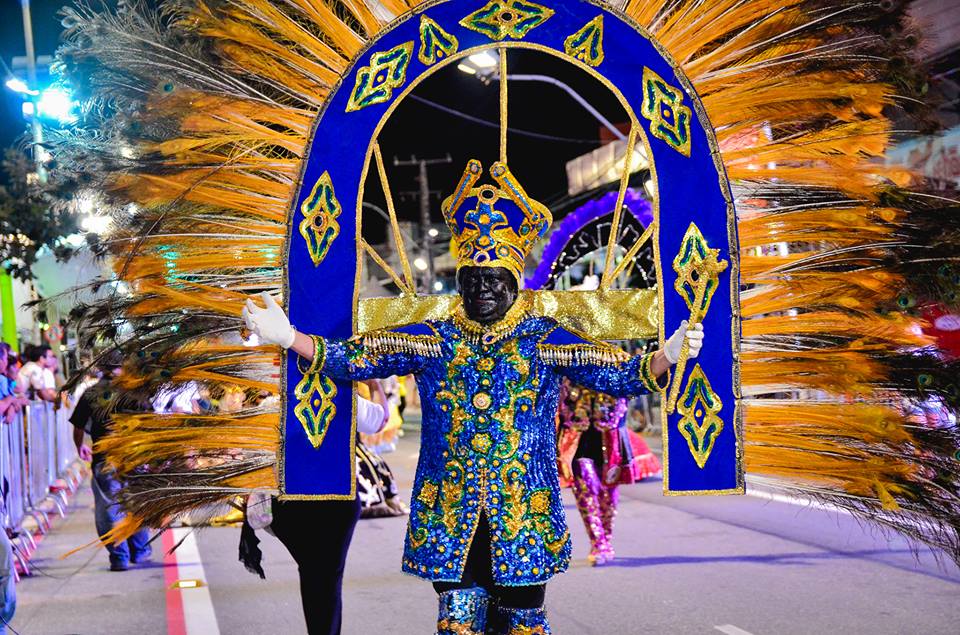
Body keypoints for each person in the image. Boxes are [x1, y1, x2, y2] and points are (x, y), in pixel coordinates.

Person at [243, 160, 705, 633]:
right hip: (450, 512)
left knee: (523, 623)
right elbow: (355, 358)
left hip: (525, 514)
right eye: (472, 280)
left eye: (494, 279)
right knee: (458, 622)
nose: (482, 288)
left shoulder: (543, 337)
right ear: (459, 283)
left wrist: (666, 356)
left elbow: (619, 374)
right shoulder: (434, 337)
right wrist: (290, 337)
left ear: (514, 281)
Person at [264, 385, 391, 634]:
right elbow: (380, 420)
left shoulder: (276, 394)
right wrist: (375, 384)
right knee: (326, 580)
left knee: (313, 575)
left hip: (290, 501)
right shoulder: (346, 394)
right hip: (336, 500)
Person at [557, 380, 661, 565]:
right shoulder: (569, 363)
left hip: (610, 441)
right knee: (585, 489)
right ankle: (598, 543)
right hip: (579, 442)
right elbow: (562, 405)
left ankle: (605, 538)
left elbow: (628, 393)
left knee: (609, 495)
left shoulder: (615, 363)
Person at [70, 352, 152, 571]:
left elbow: (78, 427)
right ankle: (140, 550)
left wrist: (80, 446)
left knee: (109, 506)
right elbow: (150, 422)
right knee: (137, 502)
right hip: (135, 454)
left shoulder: (92, 392)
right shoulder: (135, 390)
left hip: (105, 458)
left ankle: (119, 556)